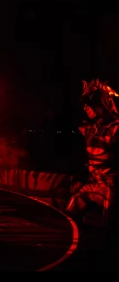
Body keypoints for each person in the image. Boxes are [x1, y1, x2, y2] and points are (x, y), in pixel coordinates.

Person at [66, 79, 119, 227]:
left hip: (111, 185)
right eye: (84, 106)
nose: (85, 109)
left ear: (100, 105)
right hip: (92, 182)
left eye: (88, 105)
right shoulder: (89, 129)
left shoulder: (115, 128)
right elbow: (85, 158)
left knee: (107, 224)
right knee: (68, 217)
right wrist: (78, 177)